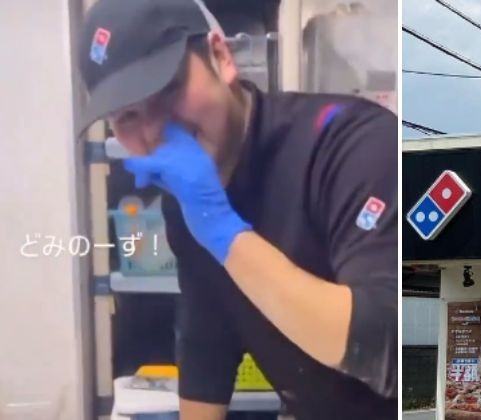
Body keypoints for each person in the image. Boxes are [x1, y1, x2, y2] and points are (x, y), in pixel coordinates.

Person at [76, 0, 398, 418]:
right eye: (129, 116)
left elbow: (383, 343)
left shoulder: (354, 145)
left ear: (221, 56)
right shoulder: (187, 206)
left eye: (167, 89)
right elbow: (206, 345)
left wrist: (222, 230)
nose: (157, 133)